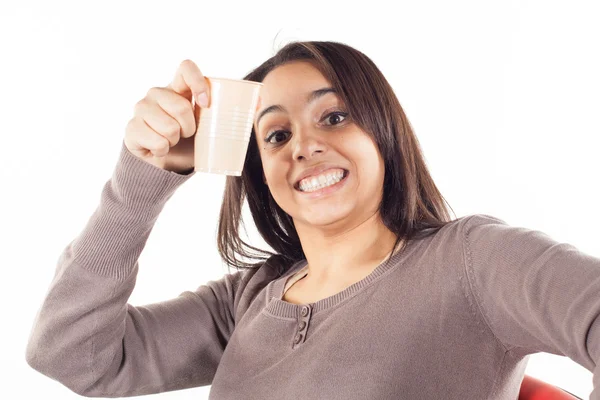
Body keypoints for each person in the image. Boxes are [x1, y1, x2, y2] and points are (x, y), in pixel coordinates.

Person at [25, 41, 599, 399]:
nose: (304, 145)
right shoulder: (248, 299)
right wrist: (141, 180)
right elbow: (74, 356)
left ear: (384, 134)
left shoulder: (472, 260)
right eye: (276, 134)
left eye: (335, 116)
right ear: (259, 171)